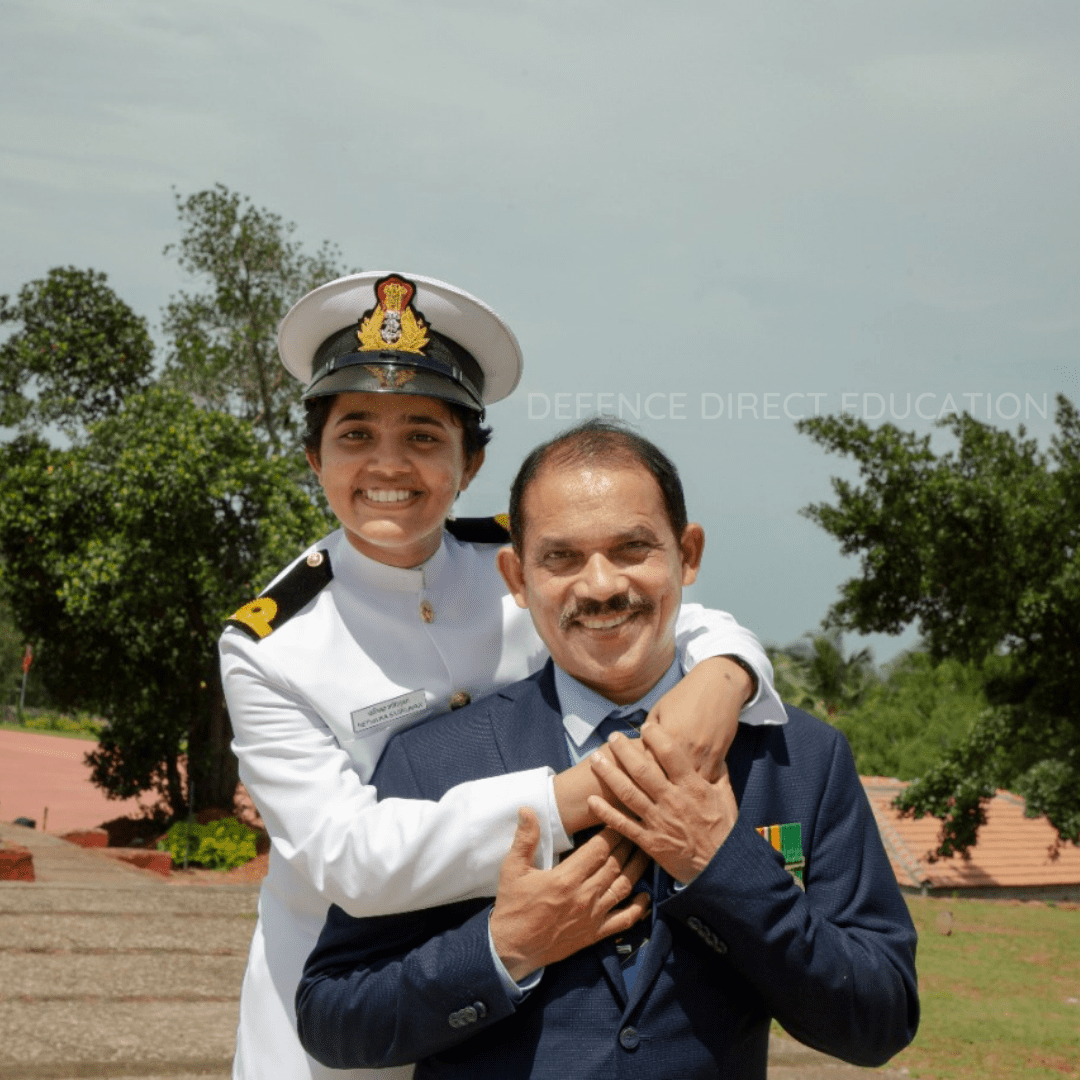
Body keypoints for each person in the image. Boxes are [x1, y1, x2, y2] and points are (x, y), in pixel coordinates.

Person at [221, 272, 785, 1080]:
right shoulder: (271, 645)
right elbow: (350, 859)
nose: (389, 465)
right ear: (314, 456)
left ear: (471, 461)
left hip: (526, 1006)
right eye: (354, 436)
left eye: (422, 436)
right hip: (351, 1008)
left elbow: (664, 611)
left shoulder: (517, 565)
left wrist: (726, 674)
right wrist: (578, 796)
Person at [295, 419, 920, 1079]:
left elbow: (878, 1019)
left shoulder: (799, 759)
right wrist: (503, 949)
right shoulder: (435, 760)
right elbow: (332, 1018)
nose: (599, 586)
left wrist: (722, 867)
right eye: (561, 557)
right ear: (516, 575)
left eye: (632, 548)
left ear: (689, 554)